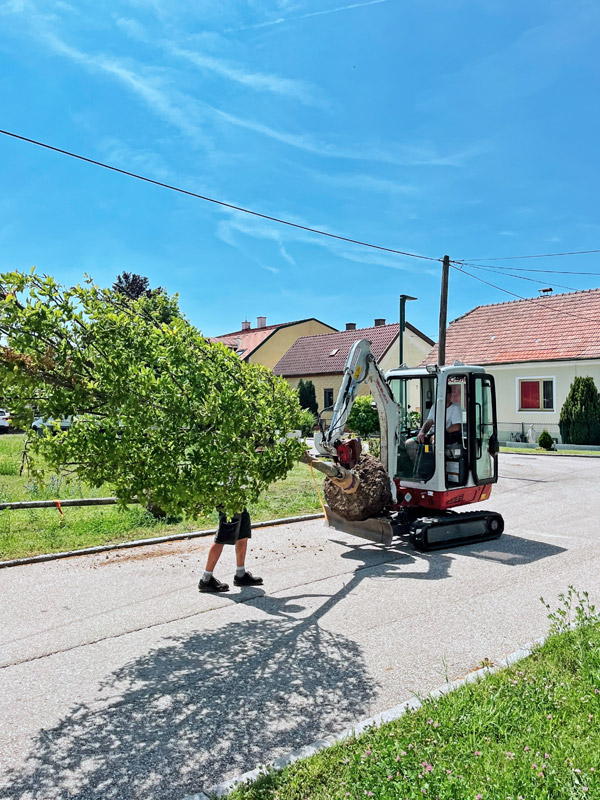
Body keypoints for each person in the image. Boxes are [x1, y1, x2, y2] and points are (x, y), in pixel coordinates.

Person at [198, 509, 263, 593]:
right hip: (229, 503)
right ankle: (205, 580)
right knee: (222, 538)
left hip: (239, 502)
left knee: (243, 535)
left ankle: (241, 575)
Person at [405, 384, 463, 461]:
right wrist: (422, 432)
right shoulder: (435, 406)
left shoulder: (455, 408)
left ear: (450, 394)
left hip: (447, 435)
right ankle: (420, 465)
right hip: (433, 434)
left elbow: (457, 426)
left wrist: (440, 433)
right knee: (409, 443)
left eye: (448, 393)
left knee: (435, 442)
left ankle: (436, 467)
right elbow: (429, 421)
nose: (446, 395)